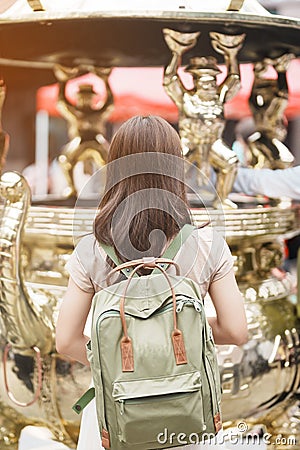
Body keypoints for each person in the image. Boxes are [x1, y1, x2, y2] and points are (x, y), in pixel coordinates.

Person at [56, 115, 248, 450]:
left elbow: (66, 340)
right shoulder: (207, 243)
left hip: (118, 416)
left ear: (114, 168)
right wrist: (181, 341)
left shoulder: (92, 247)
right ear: (177, 168)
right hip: (187, 414)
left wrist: (120, 359)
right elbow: (236, 331)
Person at [163, 28, 245, 209]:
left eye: (213, 81)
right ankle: (173, 202)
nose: (210, 86)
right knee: (174, 165)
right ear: (195, 81)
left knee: (231, 162)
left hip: (213, 142)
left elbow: (235, 80)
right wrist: (176, 54)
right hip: (190, 142)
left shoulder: (219, 98)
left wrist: (231, 56)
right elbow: (170, 80)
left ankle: (221, 199)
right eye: (205, 82)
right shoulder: (186, 98)